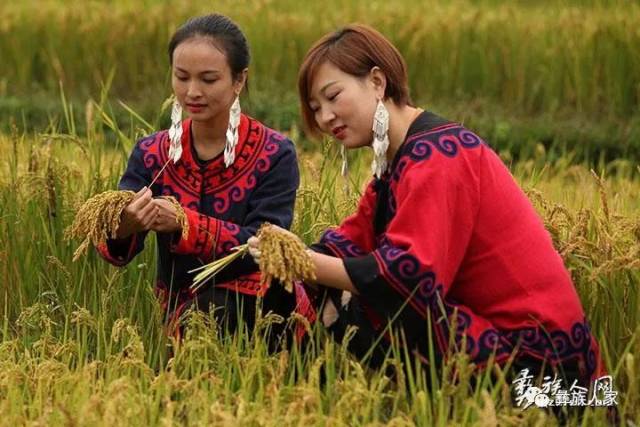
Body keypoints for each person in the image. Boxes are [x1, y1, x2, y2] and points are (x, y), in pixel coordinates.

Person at [248, 24, 606, 390]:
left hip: (543, 358)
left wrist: (305, 262)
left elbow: (410, 279)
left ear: (376, 82)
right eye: (315, 108)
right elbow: (351, 241)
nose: (325, 117)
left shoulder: (438, 155)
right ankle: (295, 391)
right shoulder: (399, 160)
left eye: (333, 96)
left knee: (363, 303)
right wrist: (285, 250)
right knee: (322, 288)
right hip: (504, 336)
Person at [99, 14, 305, 342]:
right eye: (181, 77)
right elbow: (116, 248)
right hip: (179, 312)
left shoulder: (274, 153)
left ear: (239, 80)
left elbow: (265, 243)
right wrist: (126, 222)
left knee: (209, 317)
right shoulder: (152, 152)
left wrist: (184, 223)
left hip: (259, 306)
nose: (192, 91)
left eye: (208, 79)